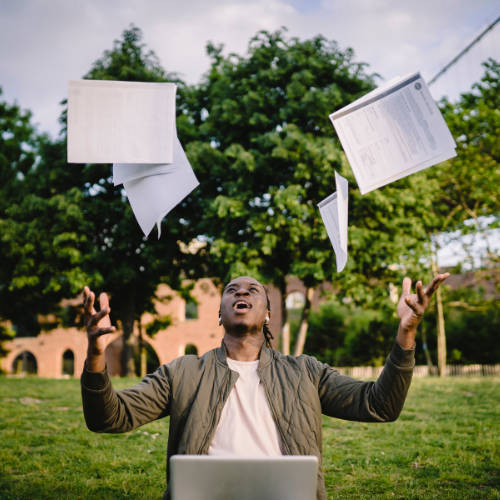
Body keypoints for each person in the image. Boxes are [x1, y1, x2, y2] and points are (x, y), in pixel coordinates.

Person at [81, 273, 449, 500]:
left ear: (268, 313)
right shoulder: (183, 371)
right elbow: (109, 418)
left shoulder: (306, 371)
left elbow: (379, 405)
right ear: (221, 312)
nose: (242, 292)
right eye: (232, 290)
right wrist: (96, 353)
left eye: (253, 290)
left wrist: (406, 333)